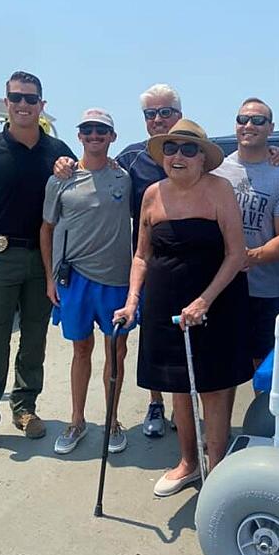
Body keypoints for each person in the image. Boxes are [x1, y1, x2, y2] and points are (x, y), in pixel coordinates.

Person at [54, 84, 279, 438]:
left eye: (166, 113)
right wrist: (67, 162)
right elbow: (99, 170)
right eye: (151, 114)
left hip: (221, 286)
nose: (159, 120)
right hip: (156, 279)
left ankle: (254, 431)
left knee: (233, 366)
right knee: (164, 361)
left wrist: (274, 153)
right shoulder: (131, 161)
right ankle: (156, 406)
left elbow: (246, 157)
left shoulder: (217, 171)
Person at [113, 119, 253, 497]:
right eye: (171, 148)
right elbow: (141, 255)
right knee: (177, 384)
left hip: (216, 300)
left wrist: (204, 300)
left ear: (202, 158)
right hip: (165, 304)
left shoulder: (220, 190)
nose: (178, 156)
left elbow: (236, 253)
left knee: (214, 387)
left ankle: (218, 469)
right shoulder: (152, 194)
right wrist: (131, 303)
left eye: (188, 149)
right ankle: (189, 462)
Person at [0, 70, 77, 463]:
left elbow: (74, 204)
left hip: (43, 260)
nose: (23, 105)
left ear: (42, 105)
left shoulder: (58, 153)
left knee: (35, 340)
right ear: (6, 103)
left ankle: (24, 408)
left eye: (31, 99)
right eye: (16, 98)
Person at [40, 108, 134, 455]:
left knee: (116, 351)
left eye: (101, 131)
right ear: (79, 135)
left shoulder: (125, 178)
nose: (94, 136)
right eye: (88, 130)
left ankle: (112, 421)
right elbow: (46, 229)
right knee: (81, 350)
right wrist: (50, 278)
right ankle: (77, 420)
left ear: (112, 137)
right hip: (74, 278)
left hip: (116, 281)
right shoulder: (59, 178)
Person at [212, 97, 279, 373]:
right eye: (243, 119)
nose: (249, 125)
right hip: (218, 287)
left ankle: (261, 418)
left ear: (271, 128)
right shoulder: (215, 171)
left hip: (263, 290)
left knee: (263, 366)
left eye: (258, 120)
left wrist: (249, 257)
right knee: (220, 364)